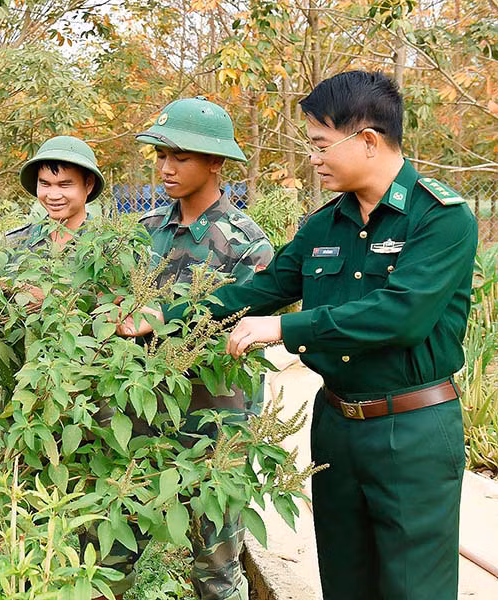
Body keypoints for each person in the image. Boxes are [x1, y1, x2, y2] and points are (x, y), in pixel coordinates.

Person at [121, 71, 478, 600]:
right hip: (336, 422)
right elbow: (263, 289)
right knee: (344, 580)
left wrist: (284, 329)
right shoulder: (324, 224)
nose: (313, 157)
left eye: (319, 144)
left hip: (413, 426)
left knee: (414, 587)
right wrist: (166, 315)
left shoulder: (440, 218)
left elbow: (401, 314)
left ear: (368, 141)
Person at [84, 97, 273, 600]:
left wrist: (159, 322)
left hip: (214, 421)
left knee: (214, 566)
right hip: (140, 417)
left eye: (180, 157)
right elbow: (111, 305)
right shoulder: (144, 231)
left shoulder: (246, 245)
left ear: (216, 162)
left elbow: (242, 328)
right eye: (161, 156)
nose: (166, 168)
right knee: (107, 556)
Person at [5, 135, 105, 251]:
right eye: (45, 184)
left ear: (88, 184)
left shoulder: (111, 246)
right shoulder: (15, 244)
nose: (53, 195)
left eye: (64, 185)